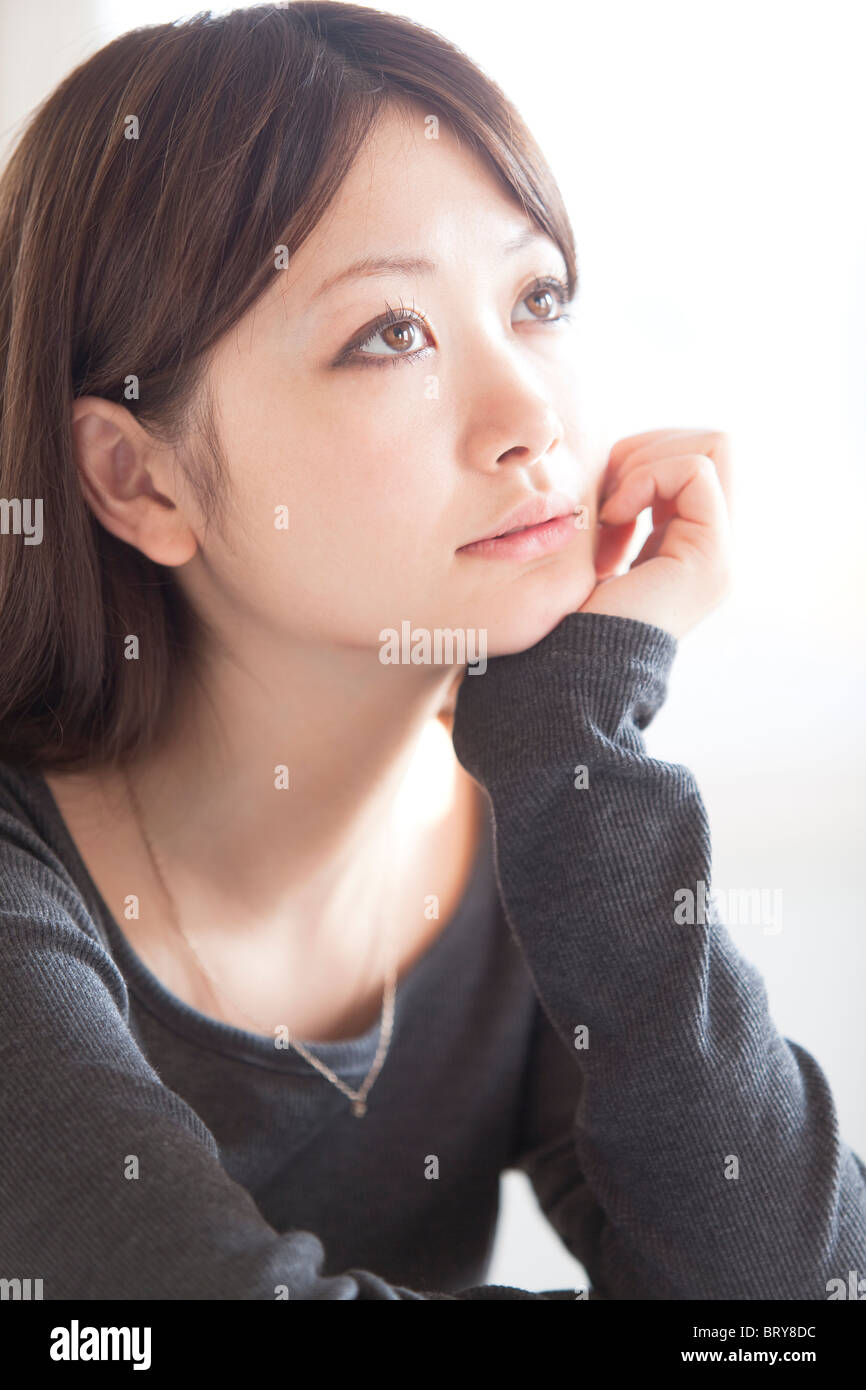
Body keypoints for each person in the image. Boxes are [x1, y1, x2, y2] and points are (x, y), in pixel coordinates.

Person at [0, 1, 863, 1301]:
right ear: (140, 480)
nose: (529, 415)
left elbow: (794, 1289)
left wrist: (576, 740)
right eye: (388, 334)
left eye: (537, 297)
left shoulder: (542, 827)